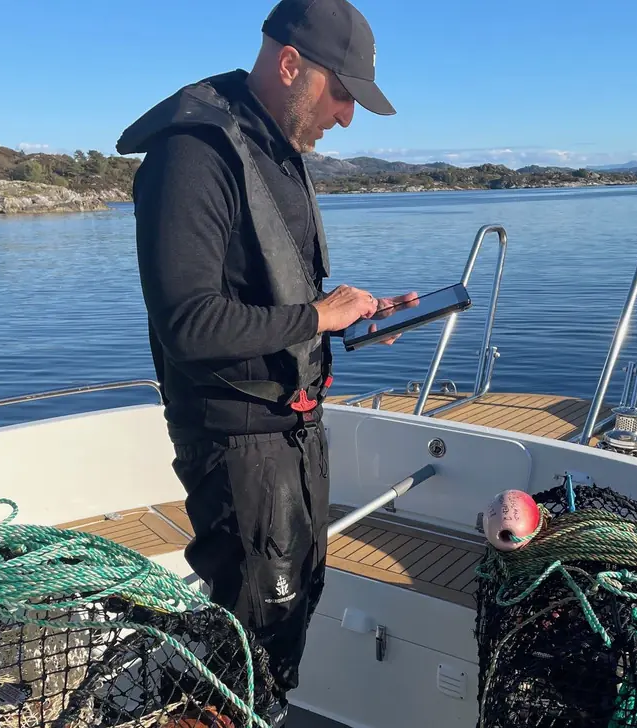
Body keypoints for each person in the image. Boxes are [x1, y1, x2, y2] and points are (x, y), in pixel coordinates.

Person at [115, 0, 410, 720]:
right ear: (290, 65)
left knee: (283, 626)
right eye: (341, 94)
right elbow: (187, 323)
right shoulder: (193, 155)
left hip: (294, 436)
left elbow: (266, 300)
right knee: (240, 643)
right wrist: (317, 315)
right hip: (237, 444)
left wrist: (350, 322)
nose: (346, 117)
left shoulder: (274, 148)